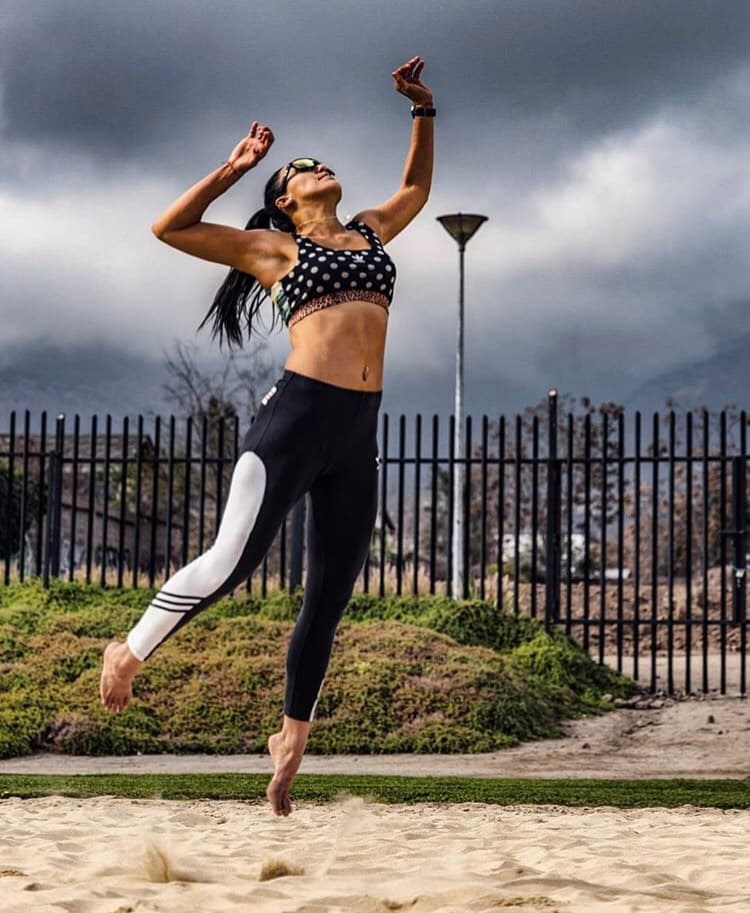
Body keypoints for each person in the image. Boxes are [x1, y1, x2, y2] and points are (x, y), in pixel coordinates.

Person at [99, 56, 434, 816]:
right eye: (302, 168)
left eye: (321, 161)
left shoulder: (369, 233)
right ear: (285, 201)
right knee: (230, 562)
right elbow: (169, 227)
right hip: (294, 420)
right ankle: (129, 649)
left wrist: (423, 109)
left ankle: (290, 742)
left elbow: (414, 189)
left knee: (330, 595)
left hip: (357, 431)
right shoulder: (275, 251)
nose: (320, 167)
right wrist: (231, 167)